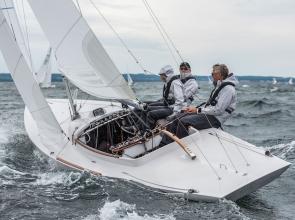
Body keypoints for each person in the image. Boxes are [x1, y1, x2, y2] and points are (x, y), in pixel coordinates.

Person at [159, 63, 238, 146]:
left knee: (182, 122)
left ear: (220, 74)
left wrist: (198, 110)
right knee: (178, 116)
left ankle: (181, 146)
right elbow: (211, 106)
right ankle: (165, 144)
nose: (212, 75)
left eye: (213, 73)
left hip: (216, 119)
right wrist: (195, 109)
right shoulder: (220, 85)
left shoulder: (228, 90)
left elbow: (218, 110)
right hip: (209, 114)